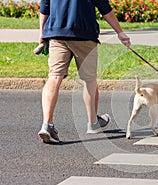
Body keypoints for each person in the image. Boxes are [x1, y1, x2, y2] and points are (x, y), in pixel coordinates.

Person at [37, 0, 131, 144]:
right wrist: (120, 33)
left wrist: (42, 34)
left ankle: (47, 124)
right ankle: (93, 122)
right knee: (89, 79)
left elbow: (44, 8)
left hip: (57, 33)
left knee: (54, 76)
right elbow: (104, 8)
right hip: (84, 34)